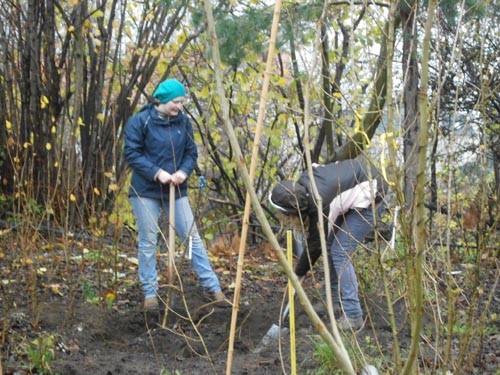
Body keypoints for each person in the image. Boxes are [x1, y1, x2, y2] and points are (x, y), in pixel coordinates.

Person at [124, 78, 226, 311]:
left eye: (181, 102)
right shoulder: (141, 121)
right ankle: (150, 292)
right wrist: (157, 173)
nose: (178, 106)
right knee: (149, 240)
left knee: (191, 238)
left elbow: (191, 153)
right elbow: (131, 153)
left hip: (176, 189)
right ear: (162, 100)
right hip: (145, 191)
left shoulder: (183, 123)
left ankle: (212, 287)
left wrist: (183, 172)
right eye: (175, 102)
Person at [269, 156, 389, 330]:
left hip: (373, 194)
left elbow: (316, 244)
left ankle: (353, 315)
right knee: (332, 246)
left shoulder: (320, 203)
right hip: (353, 188)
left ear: (293, 211)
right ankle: (332, 302)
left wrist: (299, 272)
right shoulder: (305, 189)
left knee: (341, 251)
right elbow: (318, 242)